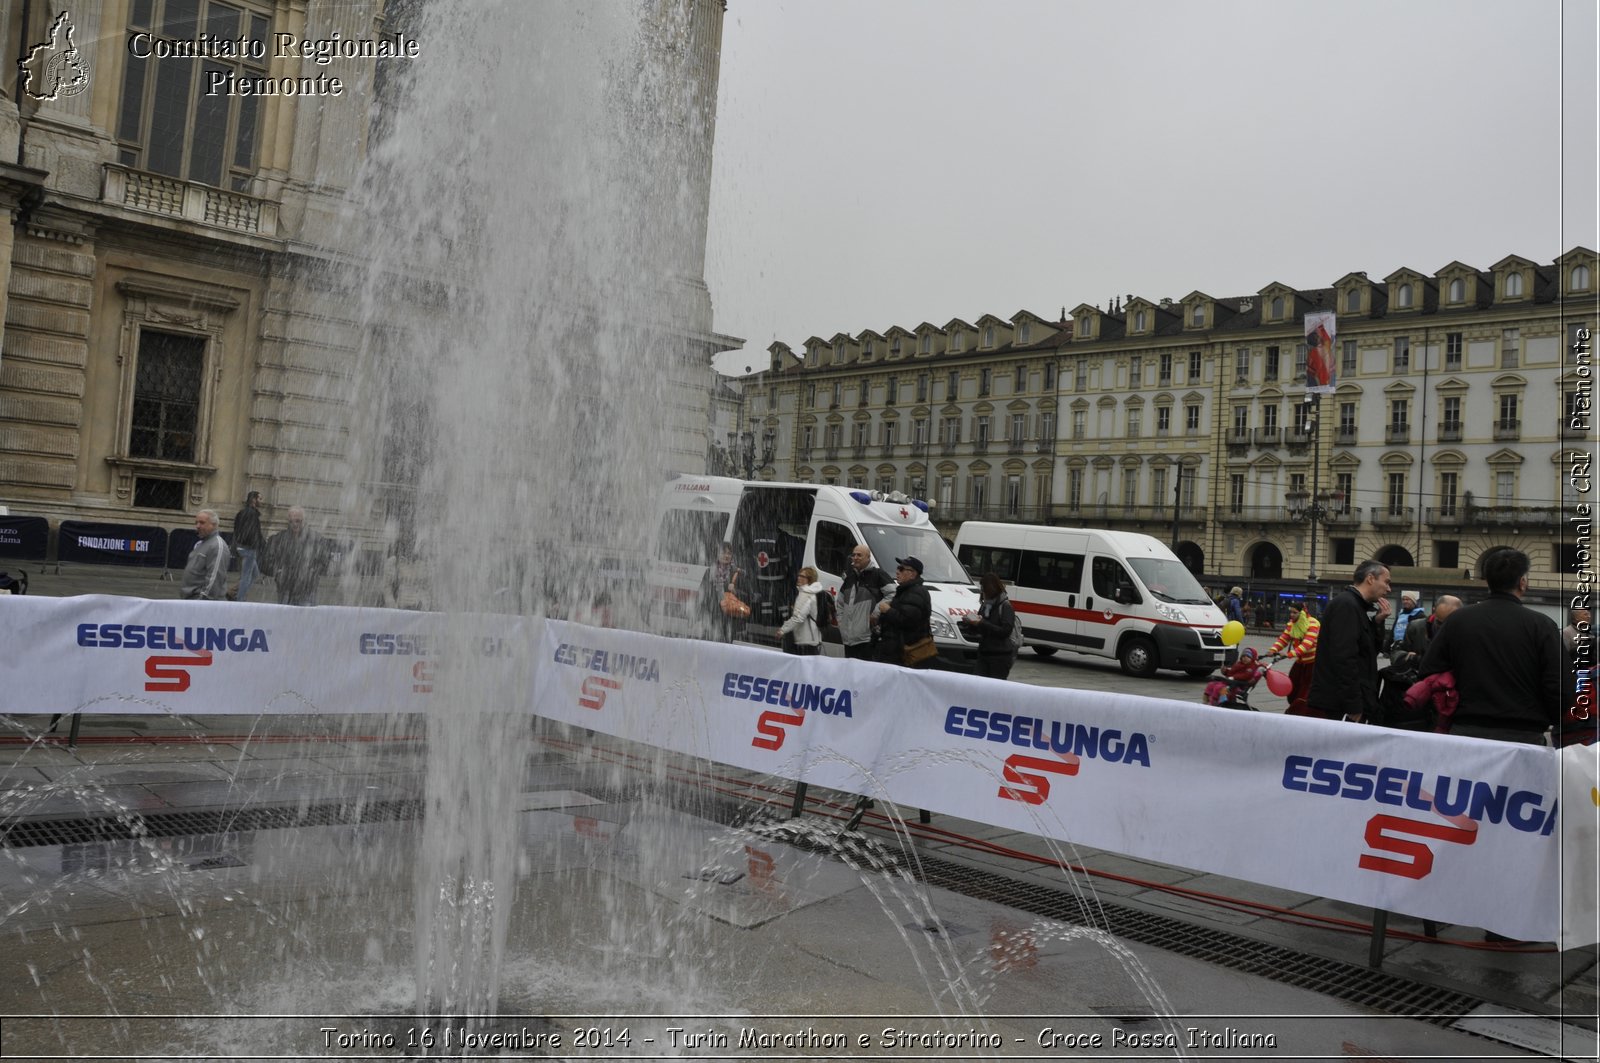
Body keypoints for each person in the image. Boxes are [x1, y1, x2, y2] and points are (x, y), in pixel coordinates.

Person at [1419, 547, 1563, 744]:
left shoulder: (1458, 620)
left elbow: (1429, 670)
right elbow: (1559, 684)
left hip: (1465, 730)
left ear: (1488, 581)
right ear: (1522, 582)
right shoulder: (1542, 625)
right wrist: (1551, 718)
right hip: (1524, 734)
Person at [1306, 560, 1392, 722]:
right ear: (1370, 579)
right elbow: (1344, 658)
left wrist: (1378, 622)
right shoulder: (1347, 605)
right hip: (1341, 703)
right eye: (1386, 582)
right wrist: (1353, 704)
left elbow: (1369, 652)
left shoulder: (1358, 606)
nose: (1388, 589)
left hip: (1350, 699)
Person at [259, 505, 329, 606]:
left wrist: (312, 572)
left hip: (307, 589)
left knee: (307, 618)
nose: (294, 524)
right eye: (291, 521)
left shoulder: (316, 539)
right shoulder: (278, 539)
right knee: (286, 618)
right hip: (285, 589)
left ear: (304, 521)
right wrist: (278, 571)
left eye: (298, 521)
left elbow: (325, 562)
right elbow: (265, 561)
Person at [875, 555, 934, 668]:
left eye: (901, 569)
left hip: (904, 654)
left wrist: (888, 610)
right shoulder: (906, 590)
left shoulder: (915, 592)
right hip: (895, 651)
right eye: (898, 568)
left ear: (913, 574)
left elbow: (908, 620)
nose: (897, 572)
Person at [837, 543, 893, 660]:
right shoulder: (849, 578)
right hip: (848, 639)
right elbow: (840, 603)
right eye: (854, 555)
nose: (855, 557)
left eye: (859, 555)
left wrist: (876, 612)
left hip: (867, 639)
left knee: (865, 675)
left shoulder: (878, 574)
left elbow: (893, 593)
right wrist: (841, 622)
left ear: (868, 557)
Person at [1265, 604, 1320, 716]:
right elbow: (1284, 639)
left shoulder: (1313, 623)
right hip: (1300, 662)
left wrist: (1289, 654)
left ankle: (1299, 711)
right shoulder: (1292, 624)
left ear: (1302, 613)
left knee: (1305, 691)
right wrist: (1273, 649)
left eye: (1294, 612)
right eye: (1290, 612)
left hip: (1313, 663)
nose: (1291, 615)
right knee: (1293, 686)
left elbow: (1307, 645)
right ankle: (1295, 707)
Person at [962, 572, 1019, 679]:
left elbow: (1005, 631)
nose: (982, 592)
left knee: (995, 689)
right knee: (977, 685)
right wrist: (970, 624)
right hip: (984, 653)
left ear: (990, 589)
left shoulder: (1005, 606)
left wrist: (982, 623)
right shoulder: (985, 605)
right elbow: (980, 629)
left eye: (983, 589)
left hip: (1000, 656)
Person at [1390, 594, 1462, 671]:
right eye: (1439, 622)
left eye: (1448, 623)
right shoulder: (1415, 627)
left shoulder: (1465, 632)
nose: (1442, 627)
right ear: (1434, 610)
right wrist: (1406, 657)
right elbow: (1397, 651)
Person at [181, 509, 231, 601]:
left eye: (202, 523)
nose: (197, 526)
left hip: (202, 603)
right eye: (196, 522)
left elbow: (215, 578)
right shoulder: (202, 543)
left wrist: (202, 601)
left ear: (214, 525)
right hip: (191, 600)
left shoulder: (217, 546)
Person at [777, 565, 824, 655]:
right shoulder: (815, 592)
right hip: (813, 637)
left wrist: (783, 630)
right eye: (799, 575)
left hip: (805, 639)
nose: (798, 578)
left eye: (802, 576)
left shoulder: (805, 594)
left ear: (809, 579)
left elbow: (798, 617)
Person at [229, 490, 264, 601]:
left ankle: (233, 593)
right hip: (248, 548)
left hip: (242, 546)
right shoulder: (251, 514)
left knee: (255, 574)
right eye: (260, 498)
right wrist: (256, 544)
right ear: (254, 499)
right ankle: (240, 599)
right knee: (246, 576)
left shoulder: (242, 512)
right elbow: (252, 532)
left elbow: (236, 529)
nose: (261, 501)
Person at [1387, 590, 1425, 655]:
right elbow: (1393, 631)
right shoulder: (1400, 614)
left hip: (1411, 650)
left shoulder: (1420, 615)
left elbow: (1421, 635)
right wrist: (1386, 647)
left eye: (1408, 599)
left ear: (1413, 601)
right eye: (1403, 599)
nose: (1405, 601)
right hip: (1397, 647)